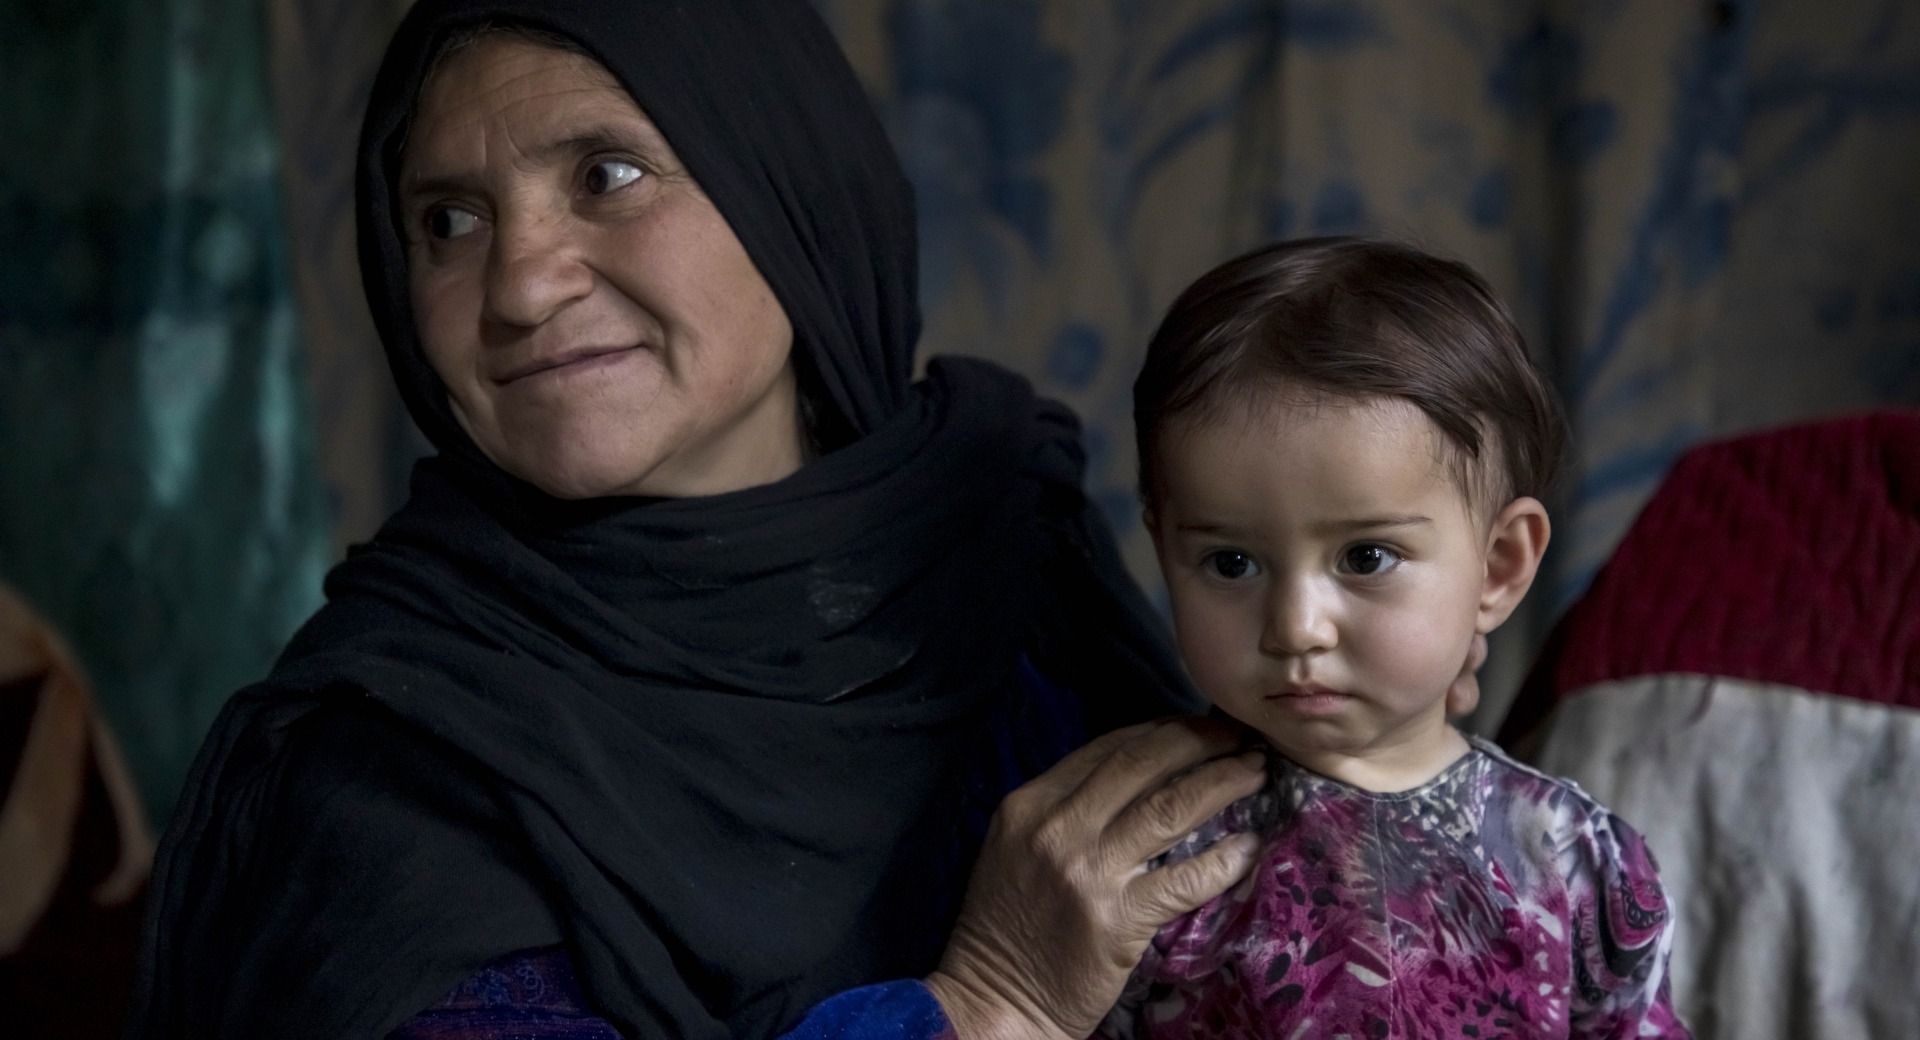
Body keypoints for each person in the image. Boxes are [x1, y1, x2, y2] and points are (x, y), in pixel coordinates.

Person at [122, 2, 1358, 1038]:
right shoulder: (394, 756)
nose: (517, 282)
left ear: (791, 194)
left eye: (605, 175)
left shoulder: (998, 536)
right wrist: (989, 1003)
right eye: (448, 219)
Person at [1101, 238, 1690, 1039]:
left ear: (1497, 566)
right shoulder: (1146, 858)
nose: (1295, 627)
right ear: (1166, 550)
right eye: (1231, 562)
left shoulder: (1574, 862)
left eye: (1365, 557)